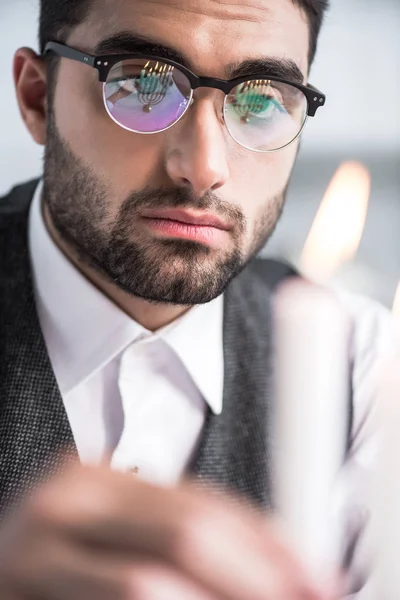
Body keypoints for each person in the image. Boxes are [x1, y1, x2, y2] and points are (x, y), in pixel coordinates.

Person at [0, 0, 396, 597]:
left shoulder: (368, 366)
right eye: (141, 85)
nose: (204, 168)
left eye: (261, 99)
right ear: (38, 98)